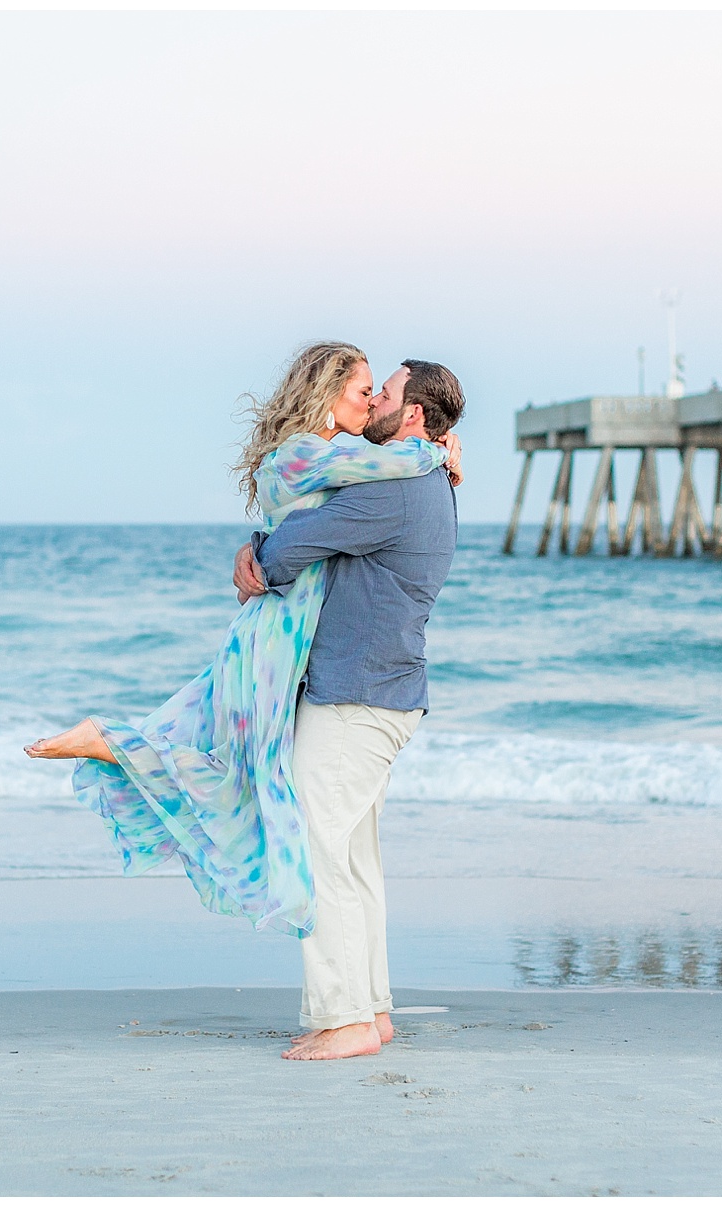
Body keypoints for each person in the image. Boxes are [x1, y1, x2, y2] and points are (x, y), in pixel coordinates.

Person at [23, 342, 460, 942]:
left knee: (247, 777)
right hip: (276, 633)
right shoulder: (313, 456)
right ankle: (112, 743)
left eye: (380, 393)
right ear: (328, 396)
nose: (373, 401)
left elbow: (322, 515)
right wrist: (434, 452)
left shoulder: (339, 456)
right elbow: (338, 507)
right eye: (365, 391)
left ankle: (116, 744)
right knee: (247, 780)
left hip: (286, 632)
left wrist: (431, 450)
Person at [234, 359, 465, 1060]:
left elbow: (305, 539)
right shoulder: (423, 480)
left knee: (318, 850)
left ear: (415, 415)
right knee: (355, 857)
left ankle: (347, 1019)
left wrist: (256, 558)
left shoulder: (396, 491)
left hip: (357, 697)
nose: (375, 406)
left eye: (386, 395)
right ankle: (370, 1008)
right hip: (383, 694)